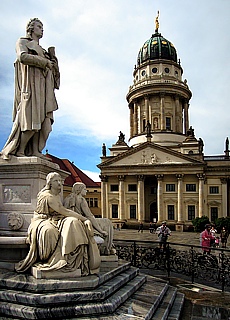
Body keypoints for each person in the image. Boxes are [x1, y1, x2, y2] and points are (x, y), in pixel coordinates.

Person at [15, 172, 100, 276]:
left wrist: (80, 220)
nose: (60, 183)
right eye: (56, 181)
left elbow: (63, 212)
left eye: (60, 181)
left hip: (56, 219)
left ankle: (69, 260)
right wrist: (84, 219)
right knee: (49, 232)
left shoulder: (57, 195)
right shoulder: (47, 196)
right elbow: (64, 211)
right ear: (49, 183)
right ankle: (55, 260)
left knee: (73, 222)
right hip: (42, 220)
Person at [1, 18, 59, 160]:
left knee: (45, 124)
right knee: (31, 120)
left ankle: (35, 150)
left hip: (44, 89)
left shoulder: (44, 51)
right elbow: (22, 57)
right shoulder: (23, 42)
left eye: (42, 27)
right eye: (39, 26)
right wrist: (44, 62)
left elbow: (55, 76)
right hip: (31, 86)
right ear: (31, 28)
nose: (42, 29)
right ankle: (20, 150)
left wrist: (53, 61)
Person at [64, 182, 116, 255]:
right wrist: (101, 231)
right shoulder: (81, 200)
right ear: (79, 190)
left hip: (72, 222)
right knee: (106, 222)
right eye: (85, 189)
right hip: (82, 222)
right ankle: (106, 248)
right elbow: (89, 216)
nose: (86, 191)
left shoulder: (67, 198)